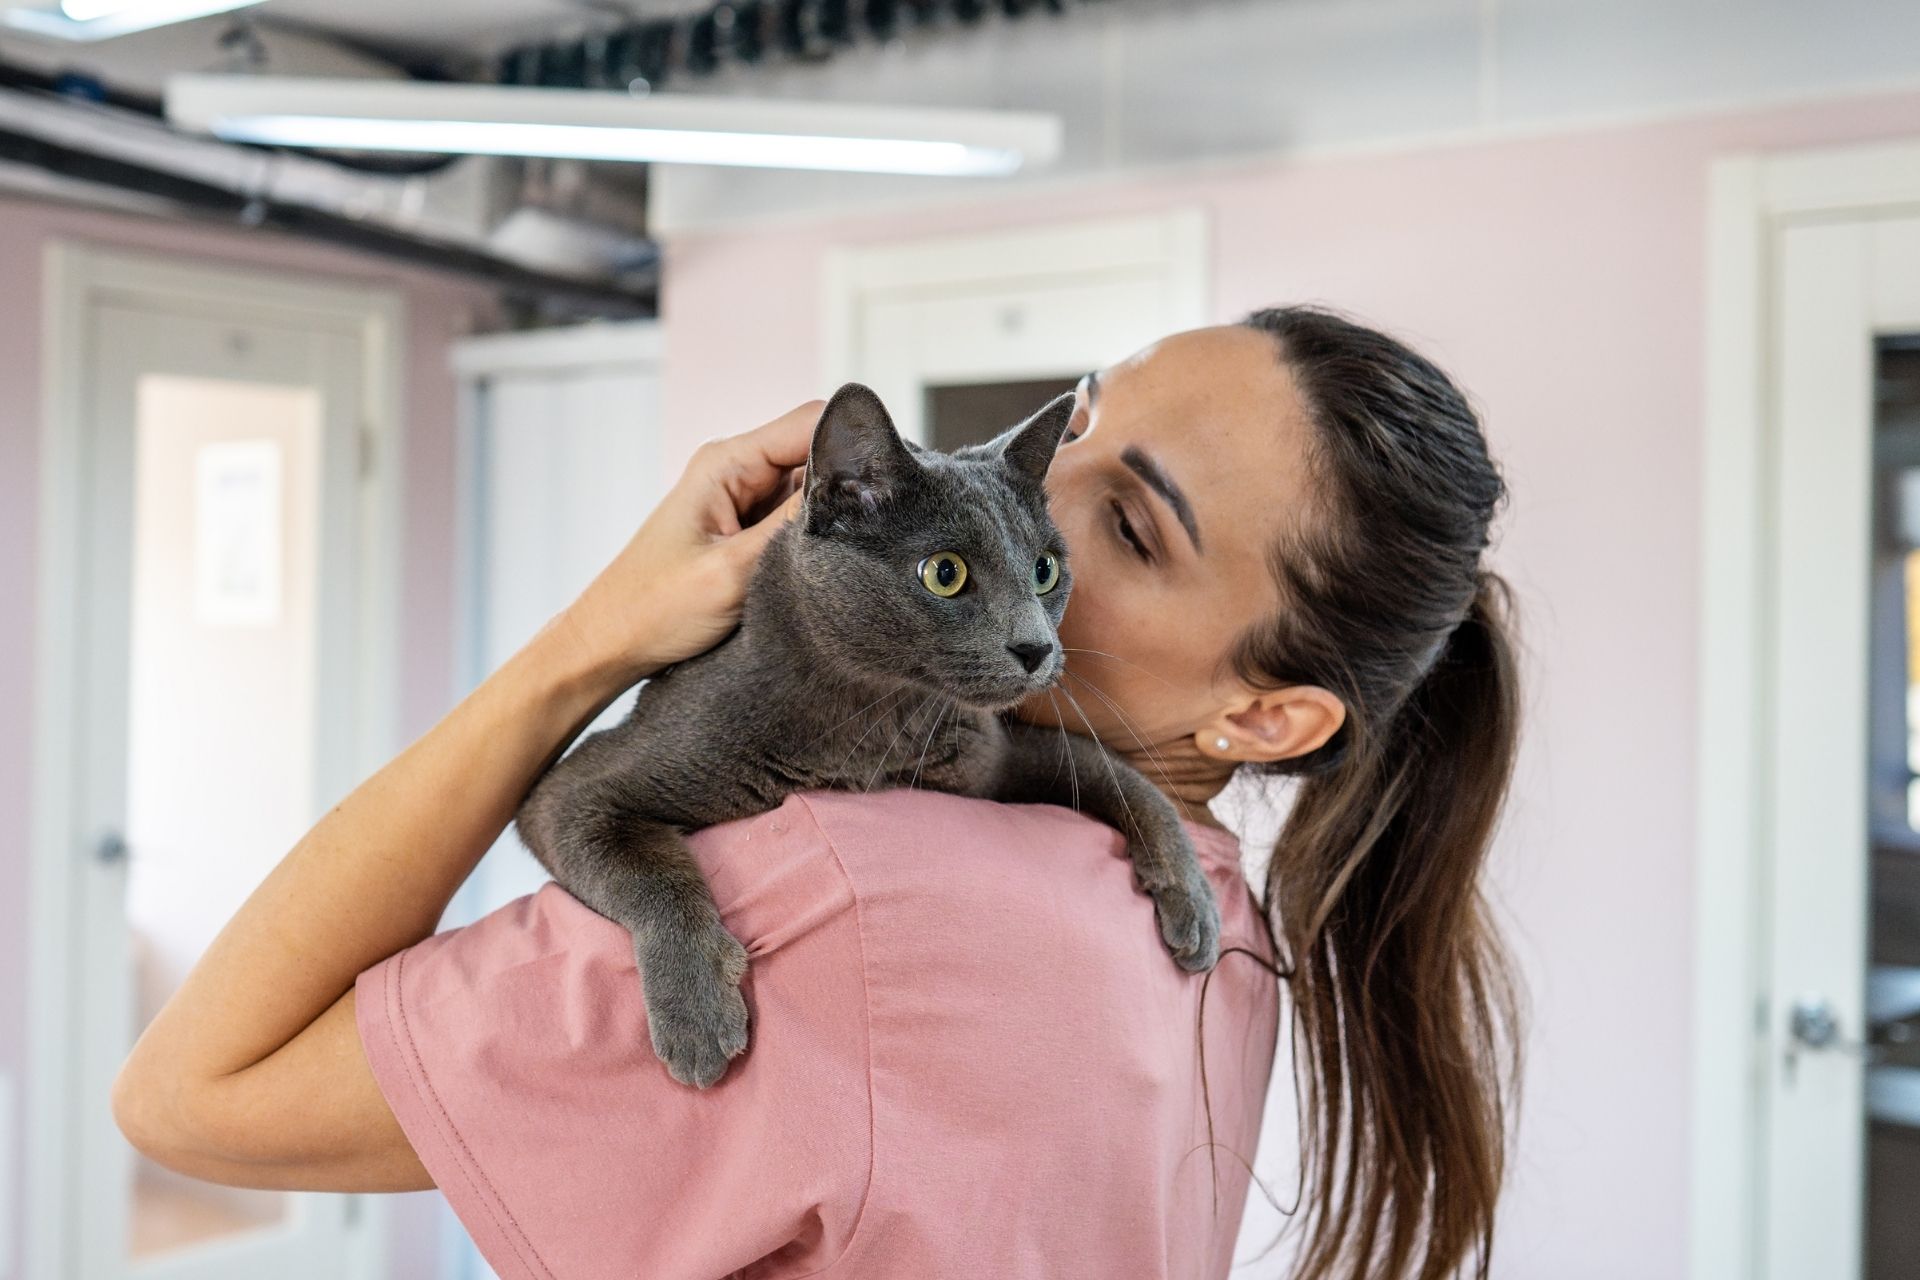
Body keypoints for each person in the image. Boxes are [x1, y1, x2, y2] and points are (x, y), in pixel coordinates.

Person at [112, 306, 1521, 1280]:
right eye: (1079, 424)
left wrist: (588, 641)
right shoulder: (1218, 921)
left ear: (1268, 714)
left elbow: (190, 1096)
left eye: (1132, 527)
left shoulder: (835, 899)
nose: (1031, 503)